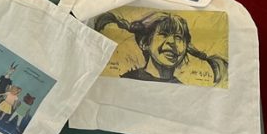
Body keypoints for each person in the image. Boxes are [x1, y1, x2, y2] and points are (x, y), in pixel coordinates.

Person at [95, 10, 228, 85]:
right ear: (145, 43)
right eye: (164, 34)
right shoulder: (127, 80)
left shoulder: (181, 88)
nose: (172, 42)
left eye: (178, 37)